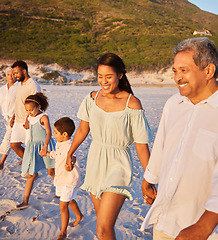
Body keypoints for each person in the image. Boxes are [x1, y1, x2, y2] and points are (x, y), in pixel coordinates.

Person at [140, 37, 218, 240]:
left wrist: (202, 228)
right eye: (175, 71)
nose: (177, 77)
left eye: (184, 70)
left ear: (209, 71)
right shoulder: (173, 104)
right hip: (165, 221)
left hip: (208, 230)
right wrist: (148, 179)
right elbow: (162, 147)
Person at [66, 53, 152, 239]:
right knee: (104, 227)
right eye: (100, 76)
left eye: (108, 76)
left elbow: (141, 145)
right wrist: (69, 153)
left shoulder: (132, 104)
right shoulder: (91, 98)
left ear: (120, 75)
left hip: (118, 166)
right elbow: (82, 129)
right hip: (95, 162)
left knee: (102, 229)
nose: (103, 81)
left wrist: (149, 177)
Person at [46, 117, 84, 240]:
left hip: (69, 179)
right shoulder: (60, 143)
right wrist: (48, 154)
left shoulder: (70, 146)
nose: (54, 135)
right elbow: (58, 155)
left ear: (64, 134)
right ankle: (79, 216)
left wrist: (71, 162)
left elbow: (72, 156)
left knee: (63, 205)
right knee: (70, 200)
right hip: (61, 179)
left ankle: (63, 232)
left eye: (56, 132)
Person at [16, 93, 55, 209]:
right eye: (27, 110)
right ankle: (25, 200)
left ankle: (60, 190)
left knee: (51, 171)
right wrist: (26, 122)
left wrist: (45, 146)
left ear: (38, 107)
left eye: (31, 109)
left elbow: (49, 132)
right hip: (33, 148)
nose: (29, 112)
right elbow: (28, 123)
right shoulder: (29, 116)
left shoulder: (43, 117)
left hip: (44, 146)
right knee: (31, 175)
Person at [10, 60, 42, 165]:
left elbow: (37, 105)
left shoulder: (33, 85)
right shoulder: (19, 84)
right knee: (14, 145)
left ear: (24, 71)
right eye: (14, 73)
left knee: (29, 147)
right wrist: (14, 116)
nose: (15, 76)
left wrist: (29, 119)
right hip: (18, 120)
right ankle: (28, 161)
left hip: (28, 121)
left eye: (17, 73)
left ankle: (31, 167)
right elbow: (19, 101)